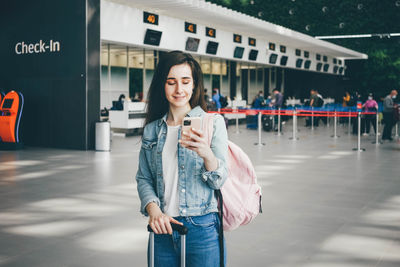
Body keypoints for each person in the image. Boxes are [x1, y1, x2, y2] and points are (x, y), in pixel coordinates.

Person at [136, 51, 228, 267]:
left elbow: (219, 181)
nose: (179, 89)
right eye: (171, 82)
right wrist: (154, 211)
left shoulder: (212, 123)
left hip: (202, 227)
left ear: (194, 85)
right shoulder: (152, 130)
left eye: (186, 82)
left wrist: (206, 153)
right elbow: (143, 178)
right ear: (162, 85)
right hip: (162, 227)